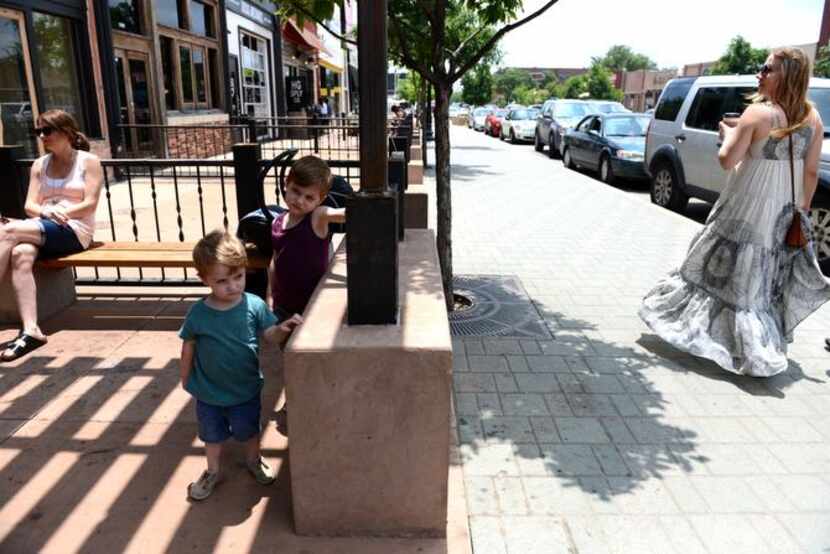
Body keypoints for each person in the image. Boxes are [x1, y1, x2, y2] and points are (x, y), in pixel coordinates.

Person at [640, 47, 827, 377]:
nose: (760, 73)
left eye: (768, 69)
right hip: (782, 208)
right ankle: (753, 343)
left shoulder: (758, 113)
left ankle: (716, 336)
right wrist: (802, 211)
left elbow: (728, 160)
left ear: (786, 76)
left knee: (717, 264)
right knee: (759, 273)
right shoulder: (812, 118)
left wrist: (727, 134)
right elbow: (810, 172)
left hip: (746, 200)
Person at [179, 231, 302, 500]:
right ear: (204, 280)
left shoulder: (254, 305)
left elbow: (269, 335)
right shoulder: (199, 312)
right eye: (222, 281)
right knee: (211, 435)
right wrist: (185, 376)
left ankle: (253, 460)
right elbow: (188, 343)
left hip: (244, 388)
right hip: (208, 392)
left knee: (248, 431)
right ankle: (212, 470)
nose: (233, 286)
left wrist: (281, 328)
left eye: (238, 277)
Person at [0, 109, 103, 362]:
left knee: (7, 231)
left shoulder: (88, 161)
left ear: (66, 131)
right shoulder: (39, 165)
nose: (42, 136)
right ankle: (32, 330)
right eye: (38, 131)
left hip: (75, 230)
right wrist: (46, 211)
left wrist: (63, 213)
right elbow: (30, 205)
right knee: (21, 253)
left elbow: (90, 203)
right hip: (43, 226)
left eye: (47, 130)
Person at [270, 155, 345, 318]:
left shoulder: (317, 217)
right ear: (286, 185)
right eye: (296, 191)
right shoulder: (277, 222)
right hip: (282, 307)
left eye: (309, 197)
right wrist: (269, 296)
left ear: (320, 200)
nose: (300, 200)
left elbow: (342, 213)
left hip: (314, 307)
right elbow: (275, 260)